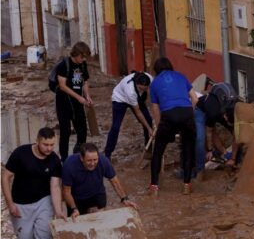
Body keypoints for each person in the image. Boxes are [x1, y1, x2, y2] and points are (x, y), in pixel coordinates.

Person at [1, 128, 65, 239]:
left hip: (44, 202)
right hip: (21, 203)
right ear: (37, 141)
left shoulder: (54, 160)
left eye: (52, 145)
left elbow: (55, 186)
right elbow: (6, 177)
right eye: (45, 144)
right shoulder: (20, 154)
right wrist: (10, 205)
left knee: (48, 237)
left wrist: (58, 211)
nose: (49, 149)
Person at [148, 57, 198, 196]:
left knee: (158, 151)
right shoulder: (181, 76)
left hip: (168, 114)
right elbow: (195, 99)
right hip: (187, 112)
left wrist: (159, 127)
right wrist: (189, 115)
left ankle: (154, 187)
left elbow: (155, 108)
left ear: (156, 70)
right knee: (188, 149)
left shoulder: (154, 83)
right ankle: (187, 185)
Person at [62, 143, 137, 218]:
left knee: (99, 219)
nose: (92, 163)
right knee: (77, 223)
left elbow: (114, 181)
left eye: (95, 160)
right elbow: (66, 191)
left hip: (97, 194)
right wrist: (74, 208)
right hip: (77, 198)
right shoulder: (69, 165)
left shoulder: (103, 161)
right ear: (81, 158)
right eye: (89, 160)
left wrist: (124, 198)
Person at [55, 42, 92, 161]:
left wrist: (87, 96)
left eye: (85, 57)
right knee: (65, 130)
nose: (84, 59)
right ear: (76, 54)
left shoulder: (82, 65)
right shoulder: (63, 65)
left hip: (78, 102)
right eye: (82, 56)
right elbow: (62, 86)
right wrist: (79, 97)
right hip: (64, 101)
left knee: (82, 129)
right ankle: (64, 159)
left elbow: (85, 81)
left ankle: (79, 155)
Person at [104, 71, 154, 159]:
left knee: (148, 120)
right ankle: (107, 154)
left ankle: (148, 149)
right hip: (120, 99)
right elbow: (138, 112)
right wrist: (149, 129)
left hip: (138, 98)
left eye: (145, 89)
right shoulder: (130, 90)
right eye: (141, 89)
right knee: (115, 127)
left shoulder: (150, 78)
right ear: (137, 84)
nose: (144, 90)